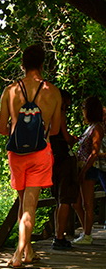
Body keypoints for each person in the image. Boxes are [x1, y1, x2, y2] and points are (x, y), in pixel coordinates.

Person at [0, 44, 62, 268]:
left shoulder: (10, 91)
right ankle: (20, 253)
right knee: (29, 205)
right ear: (43, 65)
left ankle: (26, 252)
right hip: (40, 154)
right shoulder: (53, 92)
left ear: (22, 64)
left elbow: (1, 128)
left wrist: (17, 129)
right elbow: (53, 131)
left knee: (23, 202)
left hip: (17, 154)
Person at [73, 96, 105, 244]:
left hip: (89, 169)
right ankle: (86, 231)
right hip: (82, 167)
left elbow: (94, 152)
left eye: (85, 108)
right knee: (76, 203)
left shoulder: (97, 128)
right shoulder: (90, 126)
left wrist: (85, 170)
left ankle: (87, 235)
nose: (83, 111)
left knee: (87, 203)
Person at [50, 90, 78, 250]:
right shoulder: (59, 113)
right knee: (65, 199)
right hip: (63, 157)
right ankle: (59, 237)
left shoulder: (46, 113)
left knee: (58, 199)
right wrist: (72, 139)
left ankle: (57, 235)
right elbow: (66, 137)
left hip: (51, 157)